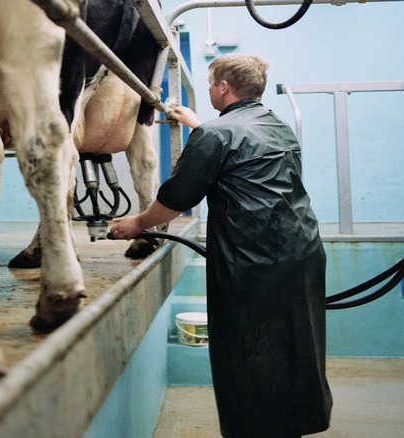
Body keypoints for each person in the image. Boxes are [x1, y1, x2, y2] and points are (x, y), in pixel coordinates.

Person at [110, 53, 332, 437]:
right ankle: (294, 426)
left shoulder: (215, 135)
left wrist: (138, 223)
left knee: (248, 354)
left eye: (211, 83)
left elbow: (178, 197)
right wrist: (199, 126)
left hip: (251, 262)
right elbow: (238, 153)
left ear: (223, 88)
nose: (210, 88)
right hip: (302, 252)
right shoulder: (277, 125)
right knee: (297, 347)